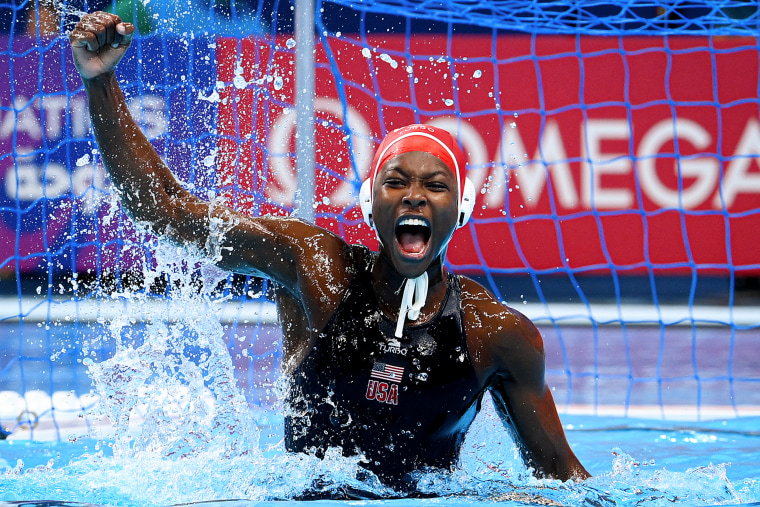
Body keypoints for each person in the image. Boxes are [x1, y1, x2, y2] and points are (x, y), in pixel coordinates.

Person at [69, 11, 590, 496]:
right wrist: (100, 83)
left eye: (435, 185)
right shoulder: (316, 267)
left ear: (461, 208)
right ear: (370, 204)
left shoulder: (497, 334)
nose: (413, 195)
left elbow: (565, 485)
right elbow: (168, 211)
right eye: (396, 182)